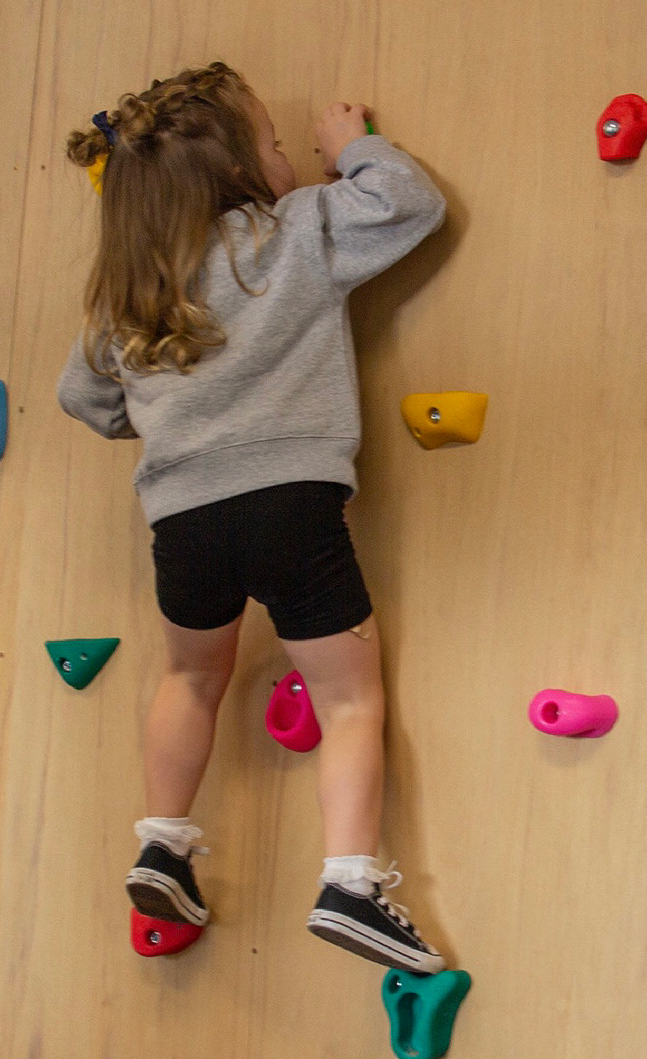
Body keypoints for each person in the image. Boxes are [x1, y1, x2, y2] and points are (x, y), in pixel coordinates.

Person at [57, 62, 446, 974]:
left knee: (189, 677)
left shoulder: (131, 289)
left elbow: (88, 399)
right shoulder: (297, 231)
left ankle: (163, 845)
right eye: (273, 141)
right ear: (235, 168)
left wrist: (158, 414)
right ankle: (352, 883)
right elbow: (410, 203)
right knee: (350, 695)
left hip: (182, 522)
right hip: (291, 506)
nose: (286, 154)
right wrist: (353, 147)